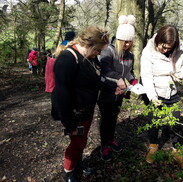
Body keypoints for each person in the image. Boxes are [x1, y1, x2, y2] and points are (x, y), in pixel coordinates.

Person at [51, 26, 109, 182]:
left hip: (87, 110)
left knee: (81, 142)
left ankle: (77, 164)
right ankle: (67, 172)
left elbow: (96, 79)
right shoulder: (67, 59)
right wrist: (69, 125)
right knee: (76, 143)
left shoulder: (90, 58)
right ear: (90, 45)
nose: (99, 54)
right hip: (74, 113)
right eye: (98, 50)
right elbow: (62, 95)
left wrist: (114, 87)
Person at [140, 25, 183, 168]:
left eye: (169, 48)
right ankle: (153, 146)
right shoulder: (148, 51)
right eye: (163, 47)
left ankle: (177, 151)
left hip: (173, 90)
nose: (166, 50)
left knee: (176, 121)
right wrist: (152, 96)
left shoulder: (180, 47)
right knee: (154, 120)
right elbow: (146, 75)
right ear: (158, 40)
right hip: (156, 90)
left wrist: (182, 73)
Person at [98, 15, 138, 161]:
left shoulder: (131, 56)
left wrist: (133, 81)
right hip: (106, 92)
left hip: (120, 93)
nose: (127, 44)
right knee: (106, 119)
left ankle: (110, 140)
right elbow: (105, 69)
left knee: (113, 118)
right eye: (124, 41)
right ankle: (104, 145)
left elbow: (129, 72)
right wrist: (118, 78)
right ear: (119, 39)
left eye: (130, 41)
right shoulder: (108, 50)